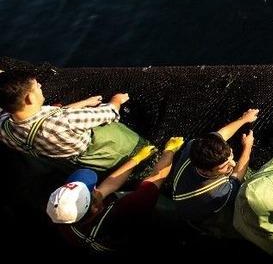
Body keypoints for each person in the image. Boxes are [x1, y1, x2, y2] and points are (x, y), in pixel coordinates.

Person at [46, 137, 184, 253]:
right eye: (91, 191)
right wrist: (169, 151)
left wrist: (136, 160)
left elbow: (105, 188)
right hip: (129, 228)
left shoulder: (62, 214)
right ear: (95, 208)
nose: (94, 189)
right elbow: (155, 180)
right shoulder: (129, 208)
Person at [0, 70, 145, 171]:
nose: (41, 86)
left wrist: (85, 102)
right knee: (137, 146)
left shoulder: (3, 127)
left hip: (73, 161)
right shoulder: (67, 122)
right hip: (100, 149)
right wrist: (116, 100)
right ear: (30, 98)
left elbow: (53, 115)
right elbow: (109, 112)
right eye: (37, 86)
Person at [168, 108, 257, 235]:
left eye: (231, 157)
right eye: (224, 166)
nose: (232, 163)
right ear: (207, 171)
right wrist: (248, 146)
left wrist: (244, 119)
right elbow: (238, 175)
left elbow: (221, 134)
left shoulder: (194, 146)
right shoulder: (217, 192)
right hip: (197, 215)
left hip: (183, 189)